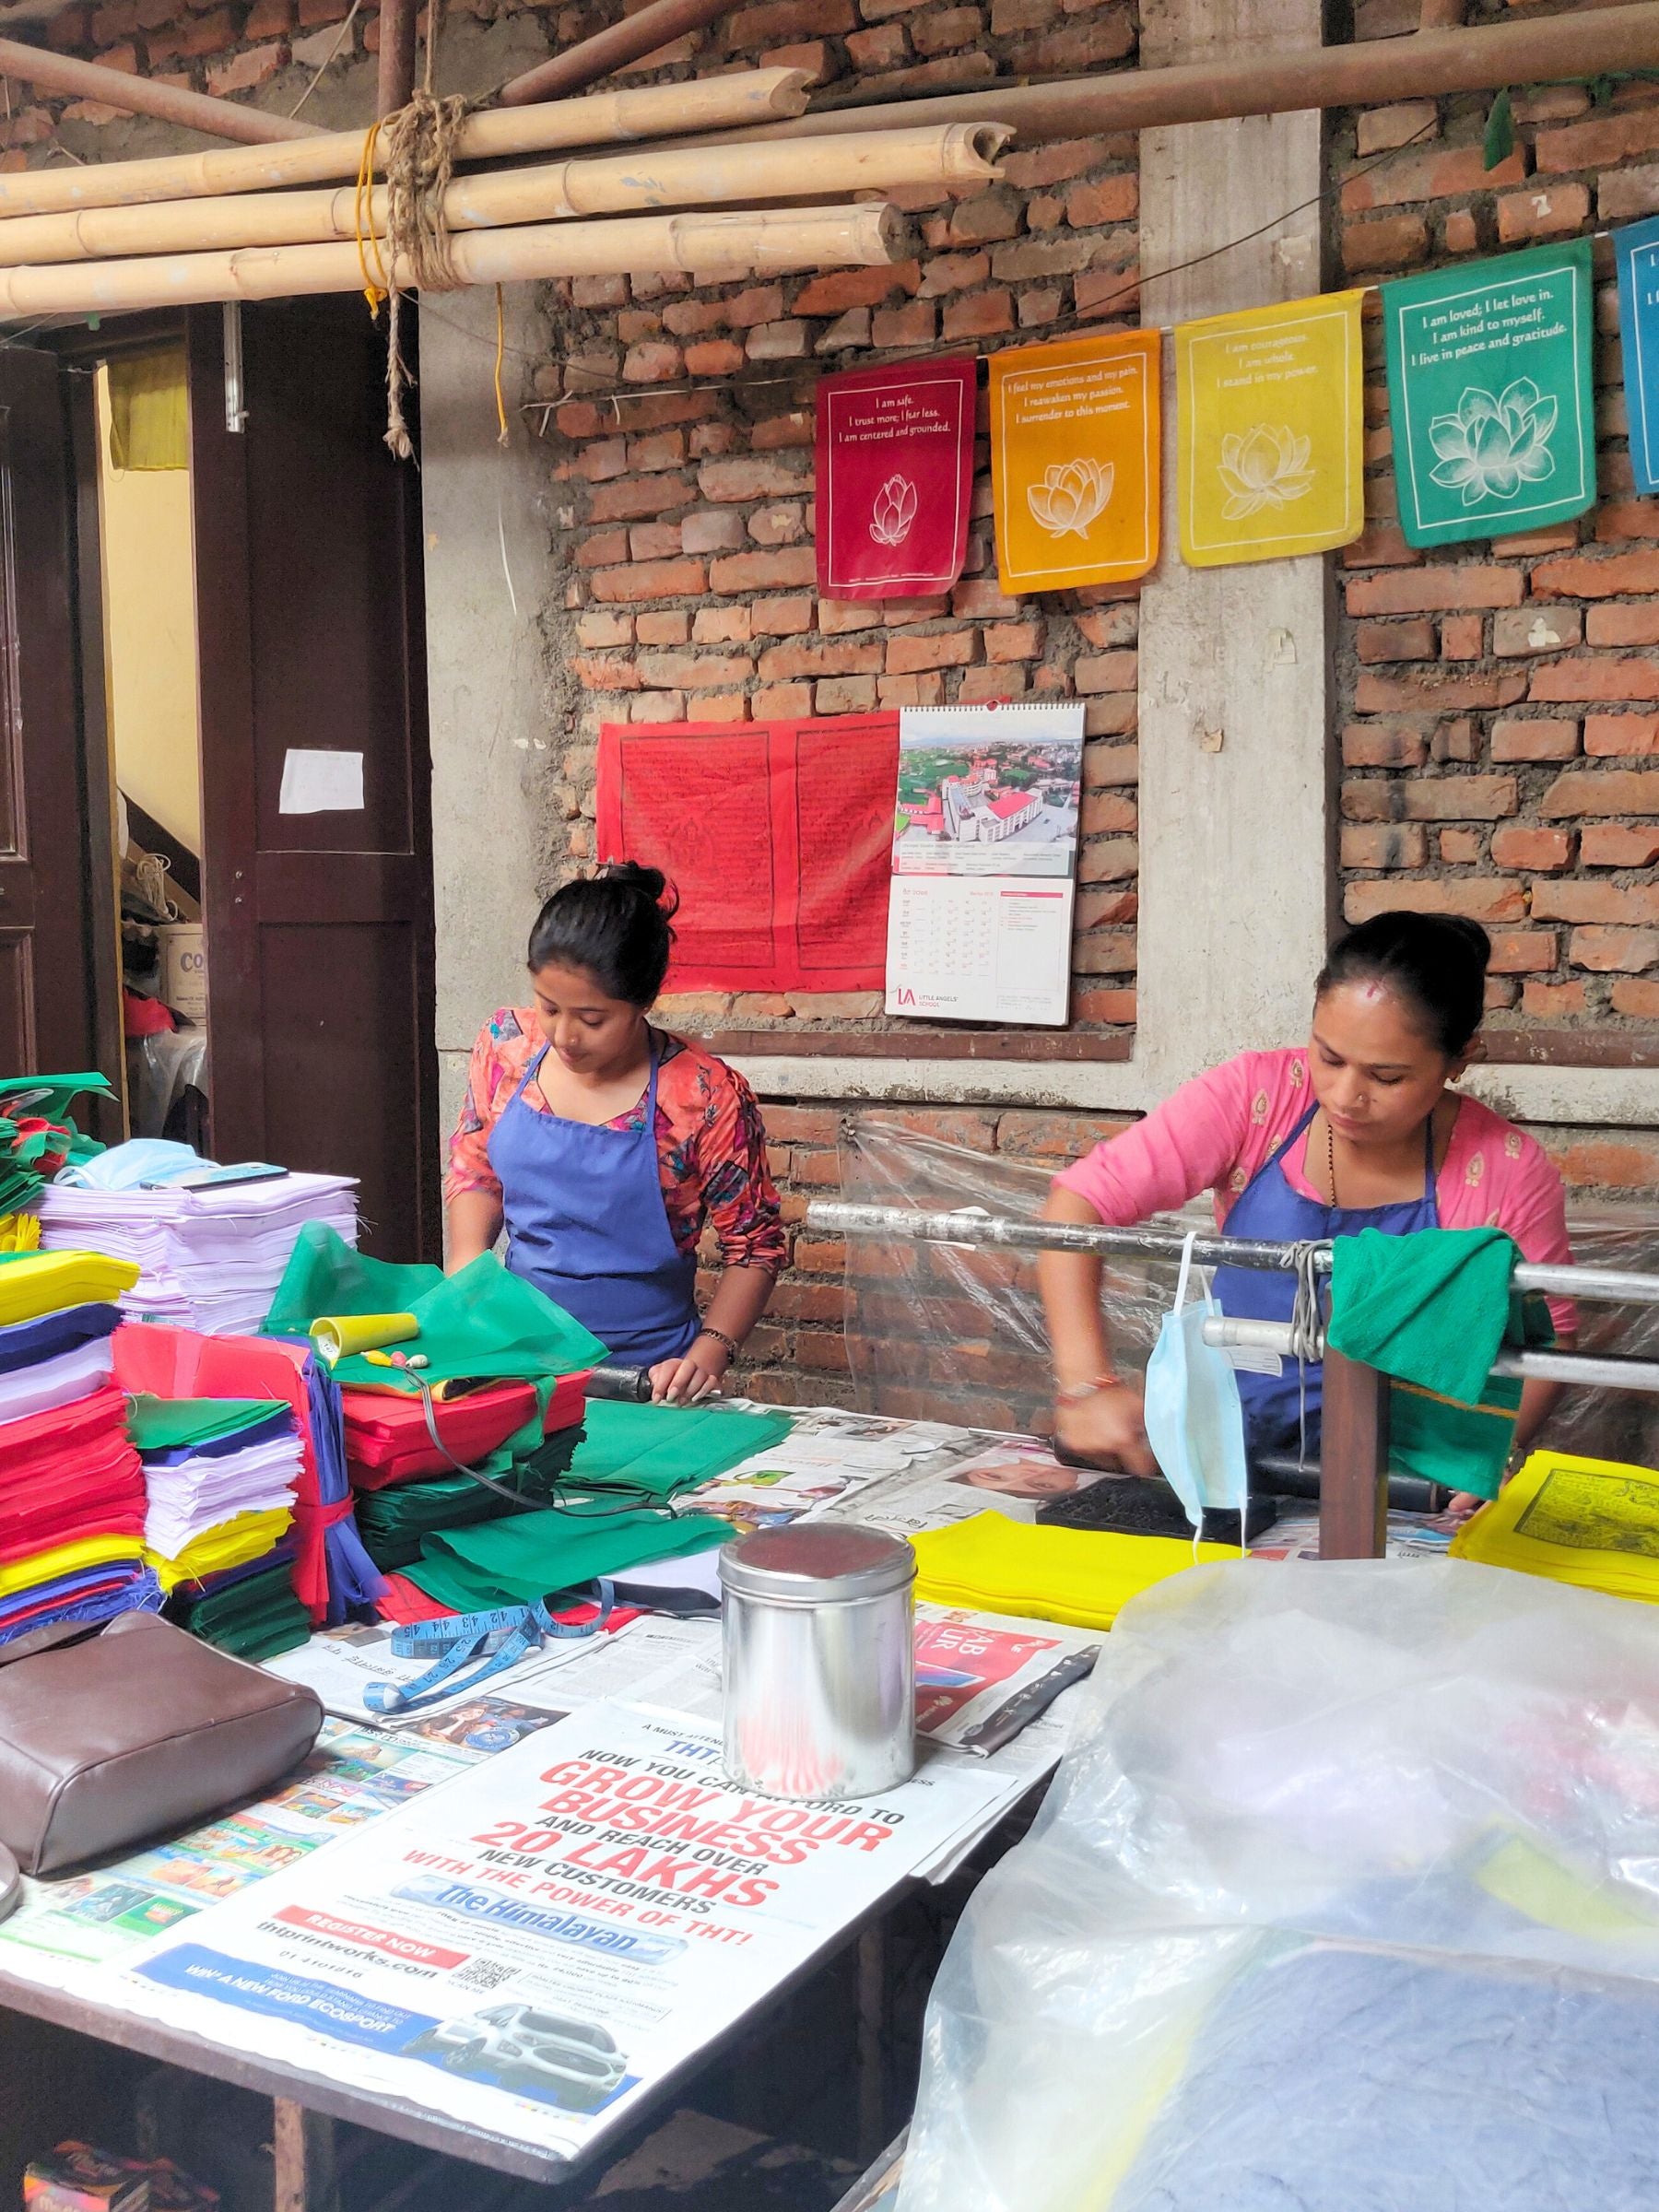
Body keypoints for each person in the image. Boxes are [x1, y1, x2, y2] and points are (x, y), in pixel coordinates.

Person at [1038, 912, 1575, 1488]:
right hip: (1223, 1447)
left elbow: (1552, 1338)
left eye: (1387, 1077)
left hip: (1401, 1475)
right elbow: (1079, 1204)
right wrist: (1086, 1383)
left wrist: (1490, 1458)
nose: (1346, 1097)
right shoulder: (1258, 1098)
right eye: (1329, 1057)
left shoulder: (1502, 1170)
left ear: (1460, 1058)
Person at [445, 863, 784, 1404]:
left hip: (646, 1379)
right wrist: (467, 1267)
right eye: (549, 1006)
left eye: (592, 1018)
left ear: (643, 1003)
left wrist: (709, 1353)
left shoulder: (703, 1094)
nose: (563, 1035)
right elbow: (475, 1165)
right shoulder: (506, 1047)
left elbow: (756, 1247)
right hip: (514, 1360)